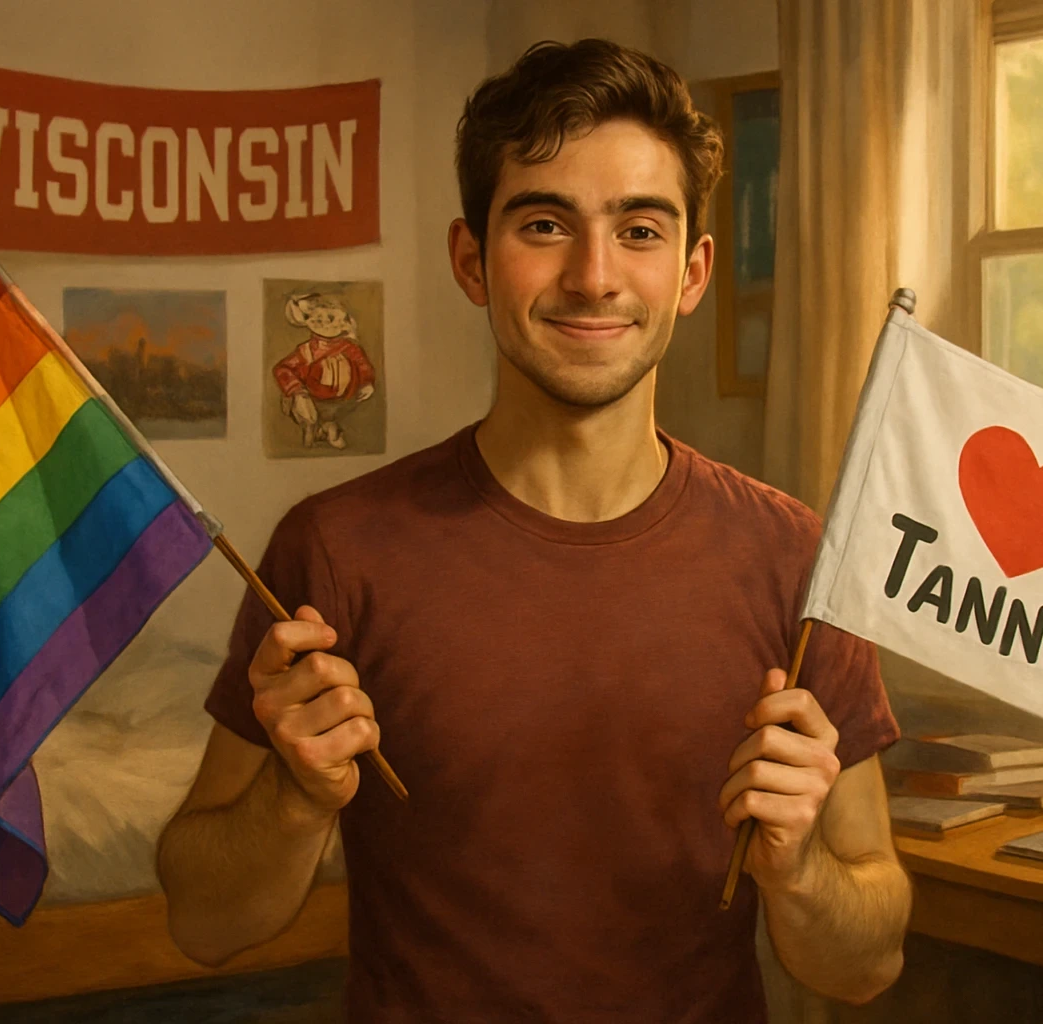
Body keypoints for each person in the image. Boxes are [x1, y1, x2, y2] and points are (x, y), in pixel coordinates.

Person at [157, 38, 910, 1022]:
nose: (593, 277)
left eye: (640, 230)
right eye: (546, 223)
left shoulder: (795, 557)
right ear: (472, 260)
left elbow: (867, 963)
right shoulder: (337, 550)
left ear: (692, 271)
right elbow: (206, 922)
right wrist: (295, 798)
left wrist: (802, 868)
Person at [272, 292, 376, 449]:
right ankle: (315, 431)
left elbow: (363, 365)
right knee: (309, 419)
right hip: (313, 400)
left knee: (331, 418)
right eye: (319, 320)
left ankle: (326, 429)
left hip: (342, 401)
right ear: (309, 322)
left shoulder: (351, 348)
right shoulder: (306, 350)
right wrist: (297, 390)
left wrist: (367, 382)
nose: (328, 325)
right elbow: (282, 369)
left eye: (333, 319)